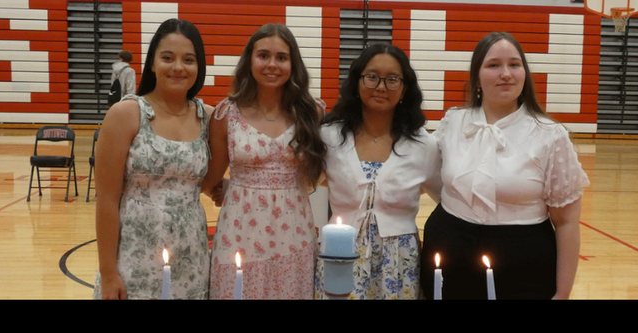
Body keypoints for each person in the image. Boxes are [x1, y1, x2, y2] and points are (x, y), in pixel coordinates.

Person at [419, 32, 590, 300]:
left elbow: (567, 222)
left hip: (523, 261)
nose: (506, 74)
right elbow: (426, 177)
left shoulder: (550, 135)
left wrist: (563, 293)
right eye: (493, 65)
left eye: (514, 64)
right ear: (476, 77)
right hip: (449, 249)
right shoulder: (453, 122)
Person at [201, 23, 326, 300]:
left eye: (281, 57)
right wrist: (226, 185)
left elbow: (324, 170)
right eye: (263, 56)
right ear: (250, 60)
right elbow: (209, 178)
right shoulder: (226, 115)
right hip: (240, 226)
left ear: (294, 63)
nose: (272, 64)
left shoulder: (311, 112)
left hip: (293, 227)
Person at [93, 18, 213, 300]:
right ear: (152, 63)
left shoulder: (208, 117)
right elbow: (107, 201)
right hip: (135, 258)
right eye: (167, 58)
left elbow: (207, 182)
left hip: (191, 258)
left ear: (200, 66)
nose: (178, 68)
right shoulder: (126, 114)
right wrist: (109, 273)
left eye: (188, 59)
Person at [315, 42, 441, 299]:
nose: (381, 86)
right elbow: (299, 182)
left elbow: (450, 201)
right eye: (372, 77)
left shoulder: (424, 146)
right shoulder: (328, 136)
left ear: (405, 87)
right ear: (357, 82)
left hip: (399, 264)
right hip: (340, 258)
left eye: (392, 79)